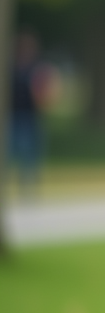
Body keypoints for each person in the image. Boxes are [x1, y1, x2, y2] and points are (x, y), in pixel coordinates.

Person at [8, 30, 54, 194]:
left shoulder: (38, 68)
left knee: (30, 158)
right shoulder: (10, 68)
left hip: (31, 117)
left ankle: (28, 190)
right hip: (12, 117)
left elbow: (46, 94)